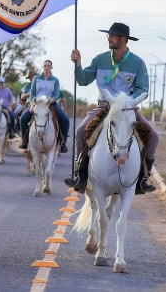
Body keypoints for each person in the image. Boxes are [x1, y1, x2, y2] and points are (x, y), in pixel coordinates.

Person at [64, 23, 158, 194]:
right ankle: (81, 174)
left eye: (112, 36)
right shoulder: (100, 59)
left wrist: (125, 101)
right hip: (103, 107)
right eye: (109, 35)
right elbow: (83, 80)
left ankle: (144, 177)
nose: (109, 38)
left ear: (123, 39)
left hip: (127, 109)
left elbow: (143, 88)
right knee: (80, 131)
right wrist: (77, 64)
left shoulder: (138, 63)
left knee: (153, 135)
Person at [19, 60, 70, 153]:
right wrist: (32, 105)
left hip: (50, 103)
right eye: (45, 65)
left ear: (51, 67)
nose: (47, 67)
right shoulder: (36, 78)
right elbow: (32, 94)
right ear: (43, 67)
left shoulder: (55, 80)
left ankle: (63, 142)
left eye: (49, 65)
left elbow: (56, 95)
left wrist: (49, 101)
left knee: (66, 120)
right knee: (23, 118)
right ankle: (24, 140)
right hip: (37, 103)